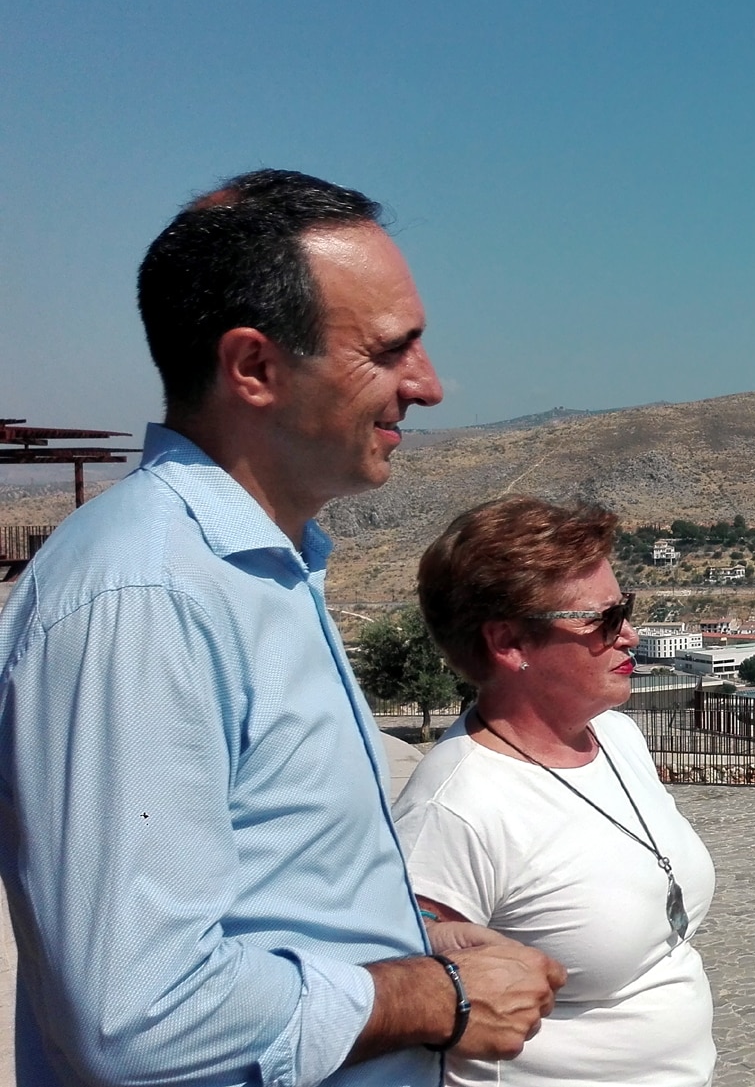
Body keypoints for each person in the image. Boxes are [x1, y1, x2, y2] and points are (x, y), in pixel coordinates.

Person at [0, 170, 565, 1087]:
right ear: (255, 368)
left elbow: (248, 888)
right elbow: (138, 1014)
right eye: (389, 351)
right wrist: (434, 995)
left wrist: (397, 926)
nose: (426, 385)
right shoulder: (149, 597)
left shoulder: (257, 569)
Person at [395, 496, 717, 1087]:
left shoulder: (617, 739)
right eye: (603, 619)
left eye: (626, 610)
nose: (630, 636)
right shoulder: (457, 808)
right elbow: (413, 995)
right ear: (509, 644)